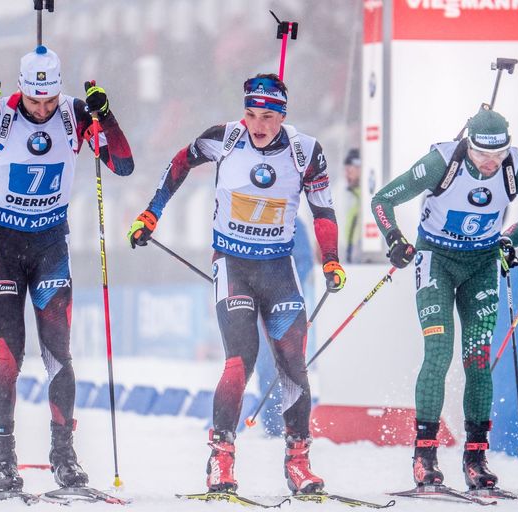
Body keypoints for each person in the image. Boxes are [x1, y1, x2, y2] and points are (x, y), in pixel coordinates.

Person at [127, 73, 345, 495]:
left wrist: (331, 259)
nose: (257, 125)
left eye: (267, 116)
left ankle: (298, 462)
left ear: (283, 116)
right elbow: (178, 163)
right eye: (250, 113)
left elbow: (323, 209)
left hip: (279, 269)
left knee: (293, 365)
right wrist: (152, 212)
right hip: (233, 265)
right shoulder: (224, 139)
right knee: (239, 361)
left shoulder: (306, 151)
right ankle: (221, 458)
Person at [0, 45, 134, 491]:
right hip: (3, 246)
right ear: (21, 90)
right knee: (8, 357)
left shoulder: (76, 115)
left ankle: (63, 453)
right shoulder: (0, 115)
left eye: (49, 100)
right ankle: (2, 453)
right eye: (34, 101)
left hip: (49, 248)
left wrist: (108, 116)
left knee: (59, 356)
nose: (42, 110)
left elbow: (122, 165)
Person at [370, 107, 518, 490]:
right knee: (439, 350)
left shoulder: (516, 166)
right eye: (481, 155)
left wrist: (510, 238)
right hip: (436, 261)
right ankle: (424, 456)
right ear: (467, 145)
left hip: (480, 265)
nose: (491, 164)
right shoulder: (441, 161)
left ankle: (475, 457)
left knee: (477, 358)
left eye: (498, 155)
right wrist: (395, 238)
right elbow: (382, 200)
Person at [255, 216, 314, 437]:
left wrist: (281, 285)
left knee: (289, 365)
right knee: (264, 364)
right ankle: (271, 424)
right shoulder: (253, 220)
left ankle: (294, 427)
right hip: (259, 305)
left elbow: (305, 262)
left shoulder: (294, 223)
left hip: (285, 307)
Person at [343, 148, 361, 263]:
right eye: (346, 170)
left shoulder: (368, 196)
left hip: (362, 256)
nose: (347, 174)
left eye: (350, 170)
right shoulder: (351, 195)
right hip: (351, 255)